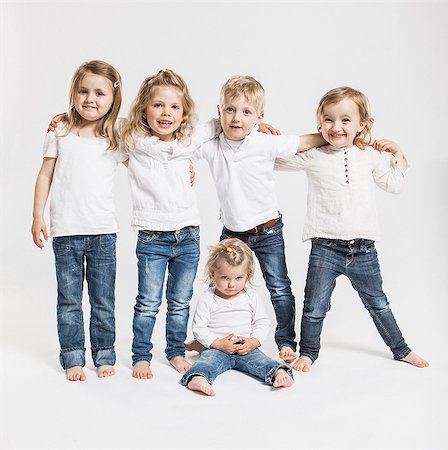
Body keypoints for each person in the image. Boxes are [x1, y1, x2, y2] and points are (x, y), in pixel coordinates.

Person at [275, 86, 429, 371]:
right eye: (329, 119)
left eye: (346, 120)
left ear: (362, 125)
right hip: (325, 247)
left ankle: (401, 349)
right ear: (320, 122)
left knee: (378, 303)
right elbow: (275, 159)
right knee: (314, 307)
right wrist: (270, 139)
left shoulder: (369, 156)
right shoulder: (314, 154)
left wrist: (397, 153)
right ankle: (308, 352)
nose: (336, 127)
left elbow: (395, 184)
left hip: (363, 249)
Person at [191, 75, 326, 363]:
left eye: (246, 112)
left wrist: (338, 134)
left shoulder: (265, 143)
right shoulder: (212, 146)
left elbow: (304, 142)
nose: (236, 118)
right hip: (232, 234)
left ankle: (286, 340)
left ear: (260, 117)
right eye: (229, 110)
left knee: (278, 286)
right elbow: (185, 144)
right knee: (219, 283)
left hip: (267, 230)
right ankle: (211, 336)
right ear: (218, 111)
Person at [120, 69, 224, 379]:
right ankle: (141, 355)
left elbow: (223, 123)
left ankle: (176, 351)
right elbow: (100, 119)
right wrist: (64, 117)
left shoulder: (190, 138)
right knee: (149, 301)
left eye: (175, 107)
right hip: (152, 236)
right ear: (144, 110)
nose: (167, 113)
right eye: (158, 105)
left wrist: (258, 125)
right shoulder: (132, 138)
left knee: (180, 300)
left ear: (184, 112)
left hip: (187, 235)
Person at [31, 60, 125, 381]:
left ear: (113, 99)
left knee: (103, 300)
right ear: (73, 92)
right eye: (83, 91)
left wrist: (183, 169)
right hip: (66, 232)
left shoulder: (117, 133)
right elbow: (45, 174)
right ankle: (72, 355)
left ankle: (104, 354)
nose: (90, 99)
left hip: (103, 233)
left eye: (100, 93)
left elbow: (147, 162)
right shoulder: (60, 130)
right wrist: (37, 216)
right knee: (69, 300)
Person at [181, 238, 294, 396]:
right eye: (225, 278)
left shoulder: (251, 296)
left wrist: (253, 341)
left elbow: (262, 321)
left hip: (245, 347)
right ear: (213, 274)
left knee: (263, 361)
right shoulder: (207, 298)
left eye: (238, 278)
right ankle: (199, 378)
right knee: (207, 362)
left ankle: (279, 373)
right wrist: (218, 343)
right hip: (216, 347)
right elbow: (199, 327)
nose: (231, 284)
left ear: (247, 276)